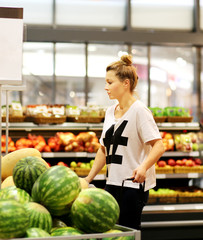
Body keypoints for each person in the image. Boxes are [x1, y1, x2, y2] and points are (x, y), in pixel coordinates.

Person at [85, 55, 165, 230]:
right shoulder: (109, 112)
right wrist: (88, 178)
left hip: (132, 187)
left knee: (127, 233)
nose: (106, 87)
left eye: (110, 82)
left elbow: (159, 146)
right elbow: (103, 150)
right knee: (111, 232)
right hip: (111, 184)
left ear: (125, 83)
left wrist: (143, 167)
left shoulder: (140, 111)